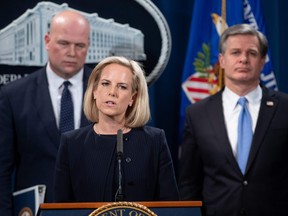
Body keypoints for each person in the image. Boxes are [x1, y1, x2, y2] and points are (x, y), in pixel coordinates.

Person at [178, 23, 288, 216]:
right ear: (222, 60)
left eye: (252, 53)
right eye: (235, 52)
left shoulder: (285, 108)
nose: (243, 59)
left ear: (262, 61)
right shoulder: (197, 114)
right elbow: (189, 182)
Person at [0, 10, 92, 214]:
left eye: (80, 46)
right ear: (47, 41)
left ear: (88, 46)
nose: (72, 52)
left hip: (94, 209)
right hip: (36, 210)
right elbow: (2, 170)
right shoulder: (13, 95)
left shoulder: (106, 92)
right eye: (64, 43)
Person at [53, 56, 179, 202]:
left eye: (122, 86)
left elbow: (170, 206)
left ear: (133, 97)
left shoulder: (154, 141)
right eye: (105, 84)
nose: (112, 92)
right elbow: (61, 208)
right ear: (95, 91)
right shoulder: (72, 143)